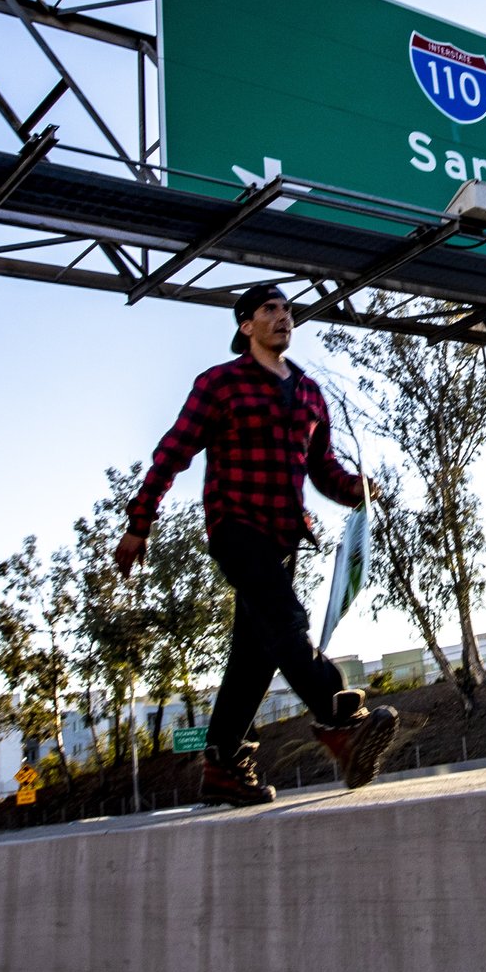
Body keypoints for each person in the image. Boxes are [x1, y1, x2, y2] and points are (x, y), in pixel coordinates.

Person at [118, 283, 398, 806]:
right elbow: (173, 452)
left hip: (285, 536)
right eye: (270, 309)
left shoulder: (311, 392)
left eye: (287, 309)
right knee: (286, 623)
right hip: (235, 525)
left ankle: (224, 764)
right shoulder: (220, 384)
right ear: (246, 325)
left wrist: (354, 488)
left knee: (254, 655)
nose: (282, 317)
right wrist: (140, 521)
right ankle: (341, 719)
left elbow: (321, 468)